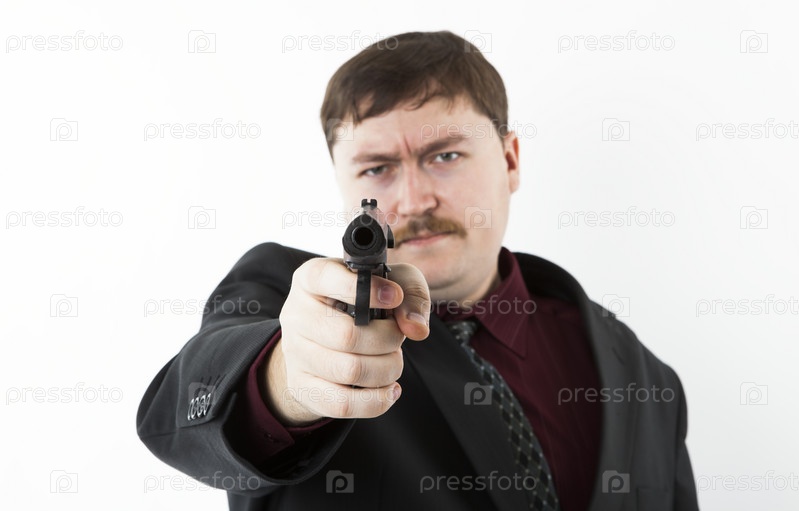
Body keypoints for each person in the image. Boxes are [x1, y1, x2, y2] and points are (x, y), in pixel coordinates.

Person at [137, 30, 699, 511]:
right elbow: (182, 410)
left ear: (510, 161)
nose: (413, 200)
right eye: (377, 169)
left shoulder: (645, 377)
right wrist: (287, 380)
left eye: (445, 156)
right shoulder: (285, 297)